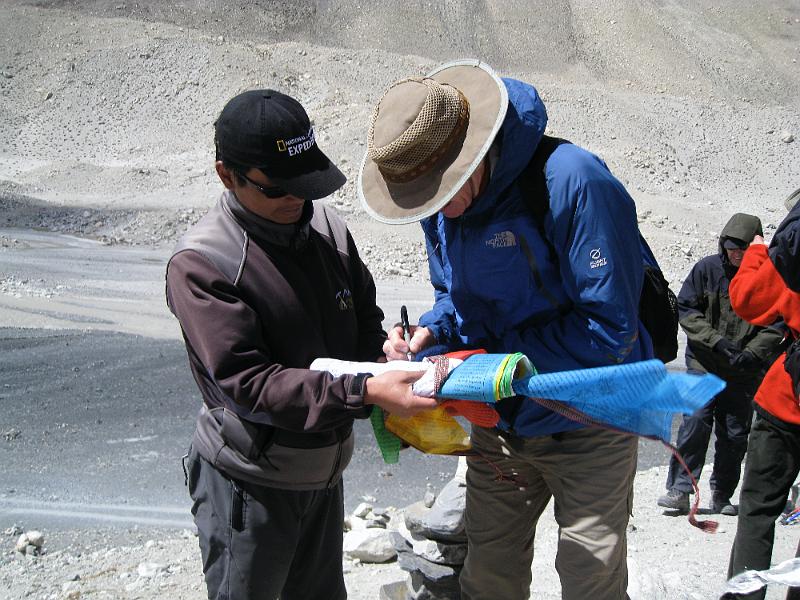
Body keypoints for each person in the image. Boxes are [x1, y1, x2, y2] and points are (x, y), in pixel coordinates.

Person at [359, 59, 652, 600]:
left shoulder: (573, 181)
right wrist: (430, 336)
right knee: (489, 576)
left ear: (472, 158)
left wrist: (482, 366)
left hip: (591, 424)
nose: (436, 211)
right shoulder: (443, 207)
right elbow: (457, 299)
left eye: (440, 192)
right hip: (501, 425)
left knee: (591, 582)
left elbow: (611, 331)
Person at [165, 89, 437, 600]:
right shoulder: (204, 263)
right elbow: (251, 386)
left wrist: (386, 353)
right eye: (277, 188)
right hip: (249, 486)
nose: (296, 199)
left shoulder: (327, 229)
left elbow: (363, 324)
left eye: (306, 185)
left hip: (322, 479)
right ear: (227, 174)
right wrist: (367, 391)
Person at [656, 213, 785, 516]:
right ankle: (680, 490)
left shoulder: (769, 277)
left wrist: (752, 353)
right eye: (730, 249)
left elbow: (778, 323)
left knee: (735, 431)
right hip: (706, 361)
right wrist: (717, 342)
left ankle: (722, 493)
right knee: (696, 421)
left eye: (741, 249)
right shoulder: (706, 270)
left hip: (744, 368)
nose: (735, 255)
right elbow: (687, 310)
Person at [723, 190, 800, 600]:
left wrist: (759, 252)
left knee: (757, 512)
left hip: (786, 402)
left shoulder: (791, 256)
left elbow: (748, 301)